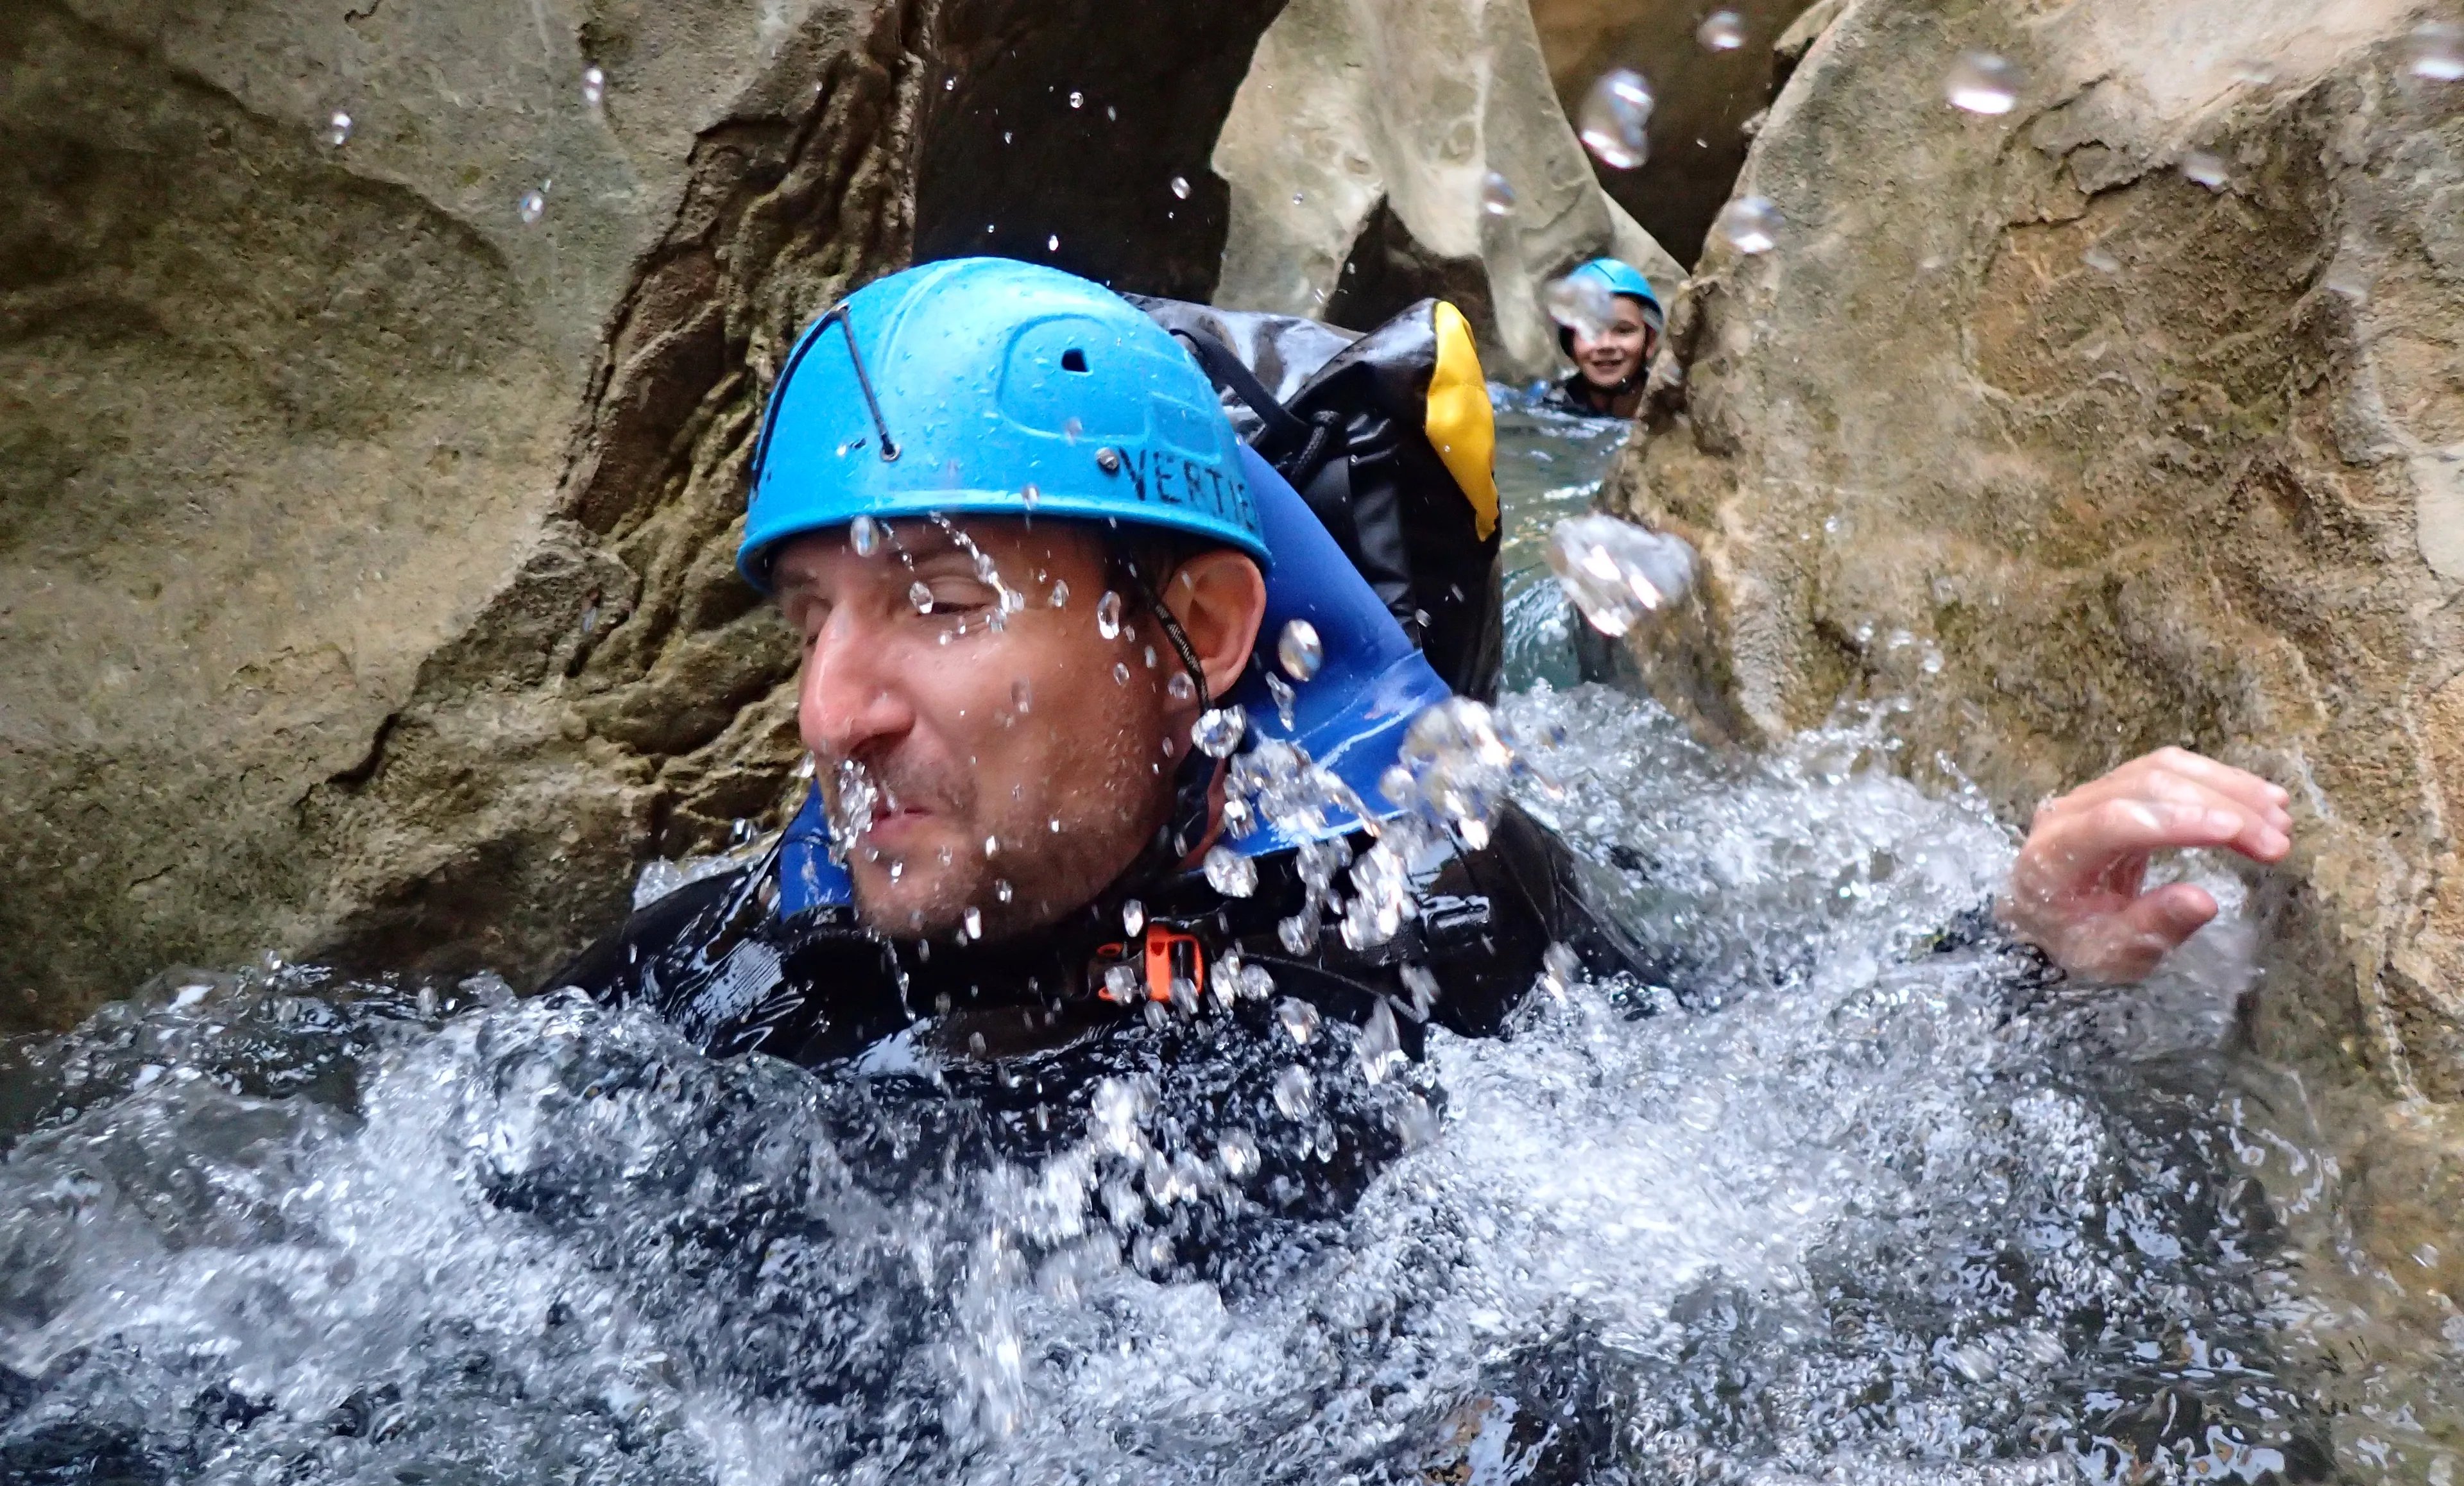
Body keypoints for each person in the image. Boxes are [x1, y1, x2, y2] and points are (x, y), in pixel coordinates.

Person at [556, 256, 2295, 1082]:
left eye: (936, 603)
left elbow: (1742, 1076)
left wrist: (2014, 948)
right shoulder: (745, 963)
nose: (830, 713)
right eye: (811, 620)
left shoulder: (1414, 913)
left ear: (1203, 638)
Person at [1539, 257, 1662, 421]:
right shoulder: (1551, 407)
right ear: (1570, 343)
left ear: (1651, 341)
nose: (1606, 345)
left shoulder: (1667, 403)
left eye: (1624, 331)